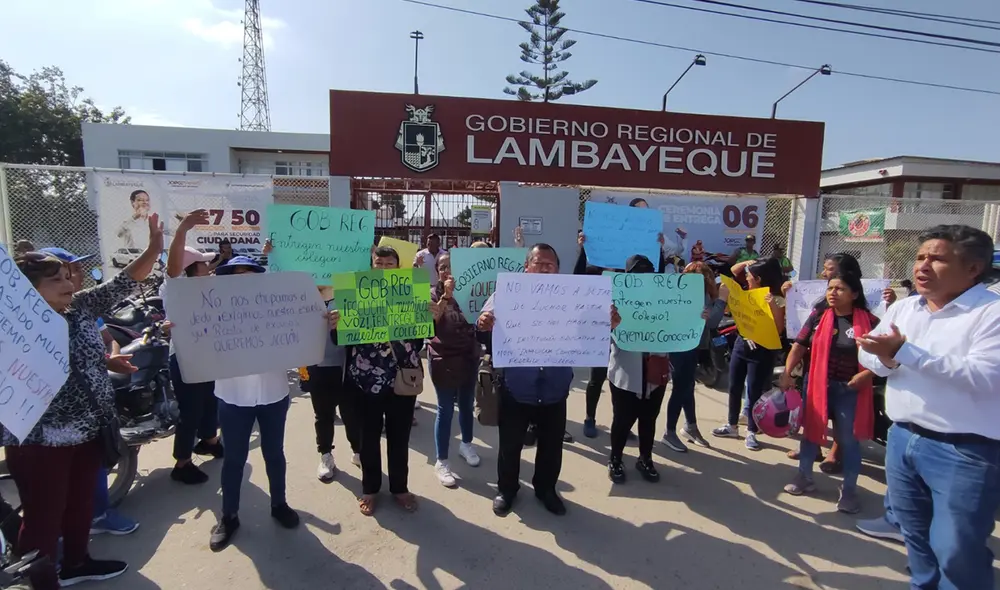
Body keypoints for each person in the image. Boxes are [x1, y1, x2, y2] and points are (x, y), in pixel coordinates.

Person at [6, 215, 162, 589]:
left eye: (66, 276)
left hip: (89, 431)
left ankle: (77, 562)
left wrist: (155, 248)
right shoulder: (13, 325)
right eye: (55, 279)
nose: (67, 283)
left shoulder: (79, 309)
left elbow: (124, 282)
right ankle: (43, 580)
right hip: (41, 442)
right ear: (29, 290)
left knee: (80, 506)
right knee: (43, 519)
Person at [857, 225, 1000, 589]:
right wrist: (887, 360)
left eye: (937, 259)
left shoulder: (991, 314)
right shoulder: (905, 308)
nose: (922, 266)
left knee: (956, 550)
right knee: (915, 538)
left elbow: (985, 376)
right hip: (903, 439)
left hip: (964, 450)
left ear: (973, 268)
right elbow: (870, 354)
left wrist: (904, 353)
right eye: (921, 257)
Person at [477, 244, 587, 516]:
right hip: (517, 386)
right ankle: (507, 489)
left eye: (551, 264)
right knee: (510, 444)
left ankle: (546, 488)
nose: (545, 268)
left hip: (555, 386)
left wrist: (609, 321)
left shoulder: (572, 297)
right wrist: (483, 322)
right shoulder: (505, 293)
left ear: (558, 269)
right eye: (539, 263)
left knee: (551, 445)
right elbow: (482, 326)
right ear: (526, 267)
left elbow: (591, 328)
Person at [41, 246, 141, 535]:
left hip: (93, 416)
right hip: (52, 429)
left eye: (73, 270)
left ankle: (96, 519)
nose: (77, 275)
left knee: (93, 470)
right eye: (64, 272)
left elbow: (106, 338)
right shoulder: (32, 323)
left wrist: (110, 359)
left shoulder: (82, 306)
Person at [209, 255, 301, 551]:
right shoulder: (214, 311)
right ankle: (229, 516)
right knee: (234, 459)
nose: (243, 281)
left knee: (274, 453)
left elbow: (300, 334)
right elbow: (197, 340)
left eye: (250, 275)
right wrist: (180, 332)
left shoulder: (276, 309)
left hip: (273, 393)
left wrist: (321, 321)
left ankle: (279, 504)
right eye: (237, 275)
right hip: (233, 396)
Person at [779, 273, 879, 514]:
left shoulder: (871, 322)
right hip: (817, 386)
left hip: (850, 390)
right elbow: (799, 345)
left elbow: (885, 357)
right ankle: (805, 477)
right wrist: (787, 372)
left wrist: (868, 374)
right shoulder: (818, 316)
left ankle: (850, 490)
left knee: (848, 440)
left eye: (840, 289)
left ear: (854, 294)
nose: (833, 293)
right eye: (830, 288)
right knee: (810, 434)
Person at [337, 246, 425, 516]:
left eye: (390, 264)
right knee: (368, 437)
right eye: (379, 264)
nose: (384, 268)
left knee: (400, 438)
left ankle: (399, 488)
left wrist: (427, 315)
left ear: (398, 267)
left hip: (400, 380)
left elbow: (418, 340)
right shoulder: (354, 290)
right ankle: (370, 489)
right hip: (364, 381)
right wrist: (336, 324)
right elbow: (340, 340)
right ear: (371, 266)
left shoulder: (410, 290)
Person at [164, 211, 225, 485]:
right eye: (202, 265)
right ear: (189, 270)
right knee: (191, 410)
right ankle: (182, 462)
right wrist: (182, 231)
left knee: (211, 400)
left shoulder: (207, 288)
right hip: (186, 358)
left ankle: (210, 441)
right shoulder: (175, 288)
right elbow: (173, 269)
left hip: (208, 356)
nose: (208, 268)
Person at [712, 257, 786, 450]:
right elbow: (727, 277)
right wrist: (746, 264)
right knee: (734, 386)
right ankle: (732, 425)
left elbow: (778, 329)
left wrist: (773, 306)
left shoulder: (776, 299)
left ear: (759, 279)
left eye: (750, 276)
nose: (746, 277)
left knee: (753, 391)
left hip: (762, 351)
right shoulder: (744, 294)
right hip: (741, 345)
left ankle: (752, 431)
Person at [606, 255, 666, 483]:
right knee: (622, 420)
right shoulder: (615, 301)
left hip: (655, 372)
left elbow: (679, 325)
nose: (644, 279)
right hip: (626, 373)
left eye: (648, 274)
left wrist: (696, 319)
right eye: (638, 274)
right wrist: (610, 323)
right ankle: (615, 459)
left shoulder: (665, 299)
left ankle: (645, 458)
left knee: (649, 419)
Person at [662, 262, 729, 452]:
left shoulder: (704, 293)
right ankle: (669, 432)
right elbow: (713, 321)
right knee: (681, 388)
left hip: (692, 346)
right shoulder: (684, 293)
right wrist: (721, 301)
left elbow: (709, 320)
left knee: (687, 386)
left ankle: (690, 426)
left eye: (704, 276)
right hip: (679, 346)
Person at [428, 253, 482, 487]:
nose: (447, 271)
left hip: (468, 356)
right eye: (442, 267)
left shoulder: (471, 289)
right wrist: (446, 298)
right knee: (445, 409)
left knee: (467, 404)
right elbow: (430, 325)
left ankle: (466, 444)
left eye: (451, 266)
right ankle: (441, 461)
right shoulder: (431, 294)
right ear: (437, 272)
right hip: (443, 359)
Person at [307, 285, 361, 482]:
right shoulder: (302, 296)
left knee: (352, 413)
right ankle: (326, 455)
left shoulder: (348, 292)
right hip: (317, 365)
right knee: (323, 414)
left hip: (347, 364)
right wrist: (274, 253)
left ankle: (358, 451)